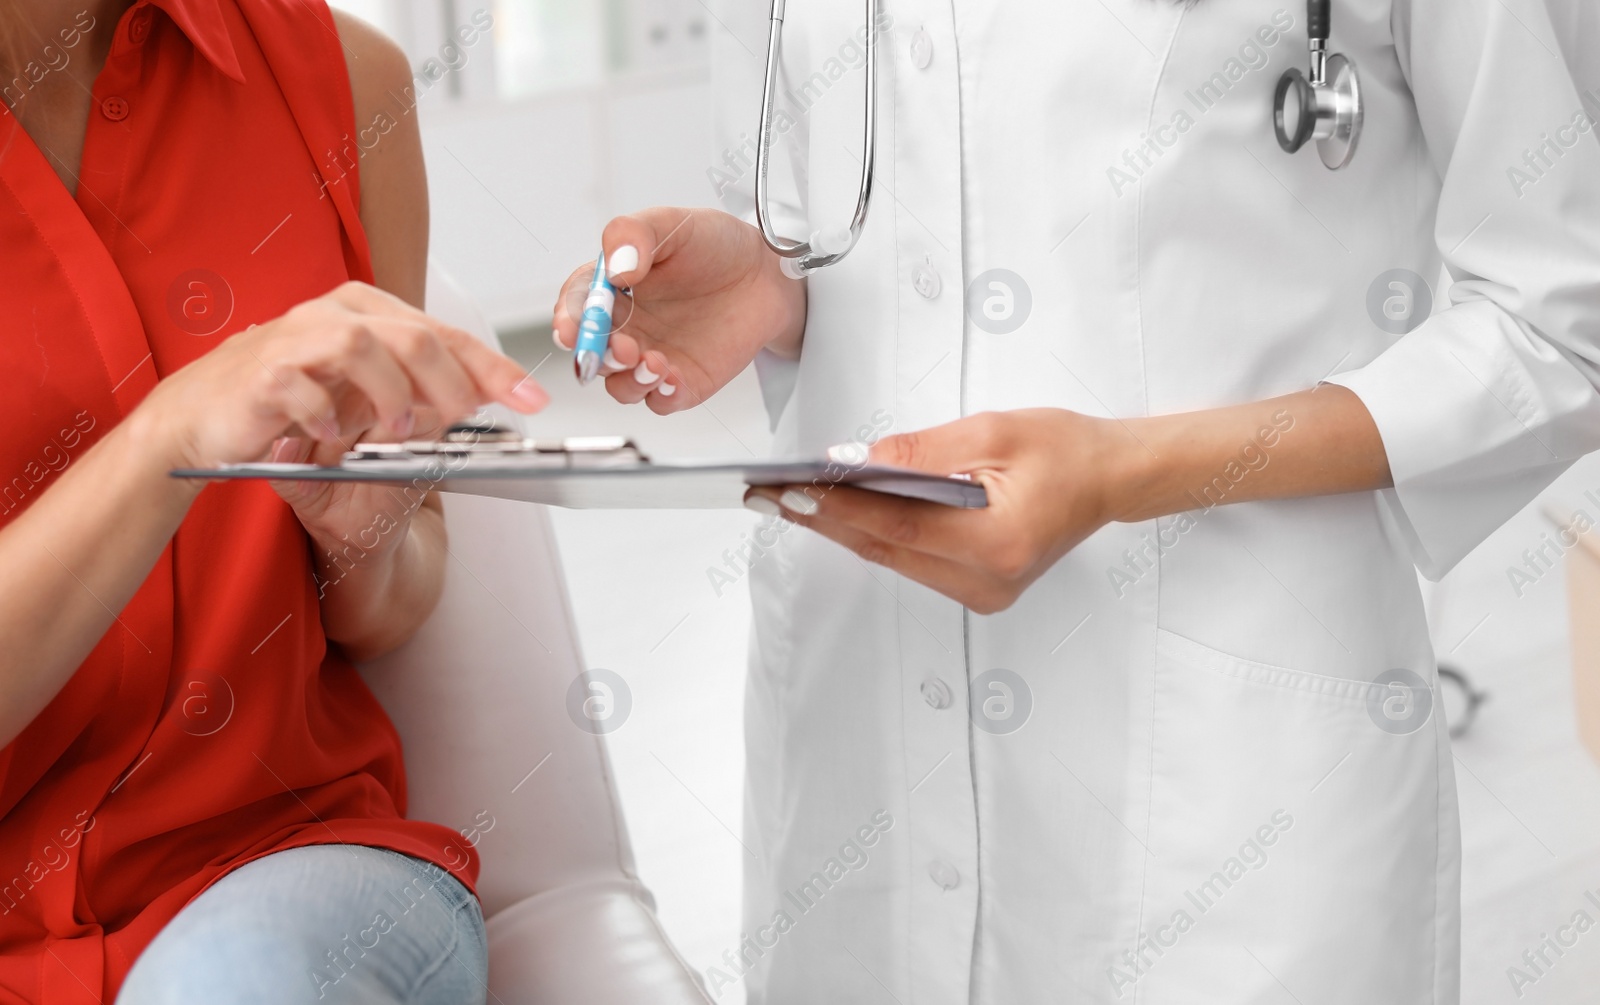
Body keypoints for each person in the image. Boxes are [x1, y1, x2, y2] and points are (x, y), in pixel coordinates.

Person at [554, 0, 1600, 1000]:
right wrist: (771, 288)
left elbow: (1554, 316)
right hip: (860, 724)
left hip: (1225, 780)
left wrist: (1120, 471)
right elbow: (831, 217)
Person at [0, 0, 546, 1000]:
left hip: (277, 868)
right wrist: (168, 436)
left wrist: (364, 543)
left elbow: (397, 595)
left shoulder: (346, 79)